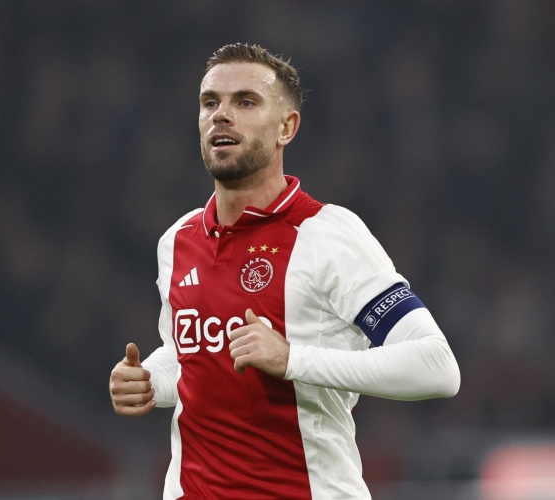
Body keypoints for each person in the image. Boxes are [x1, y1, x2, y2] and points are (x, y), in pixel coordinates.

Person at [109, 42, 460, 499]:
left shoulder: (327, 235)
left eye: (245, 102)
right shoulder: (177, 241)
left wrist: (293, 359)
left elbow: (436, 366)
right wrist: (150, 382)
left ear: (286, 128)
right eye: (210, 102)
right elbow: (189, 357)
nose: (221, 115)